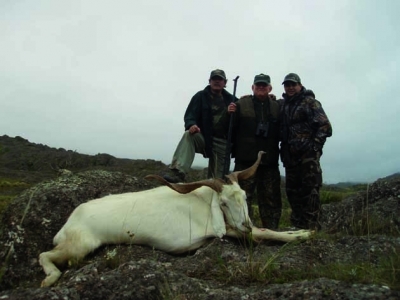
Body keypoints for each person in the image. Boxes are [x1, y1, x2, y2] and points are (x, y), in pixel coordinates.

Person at [279, 73, 332, 230]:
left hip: (307, 156)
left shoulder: (310, 102)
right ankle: (298, 226)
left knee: (310, 191)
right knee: (292, 191)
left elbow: (325, 126)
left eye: (293, 84)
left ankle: (312, 228)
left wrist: (314, 146)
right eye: (287, 85)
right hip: (290, 156)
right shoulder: (283, 105)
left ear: (300, 85)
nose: (290, 87)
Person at [164, 69, 237, 183]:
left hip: (223, 143)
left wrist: (267, 98)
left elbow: (247, 107)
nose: (217, 81)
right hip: (205, 138)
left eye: (220, 79)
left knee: (217, 182)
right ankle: (178, 172)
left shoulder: (233, 100)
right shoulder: (200, 96)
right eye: (214, 79)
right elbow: (190, 115)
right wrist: (191, 125)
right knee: (189, 135)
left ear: (225, 82)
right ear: (209, 81)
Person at [228, 74, 282, 229]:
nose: (261, 88)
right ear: (252, 87)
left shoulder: (278, 106)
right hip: (245, 161)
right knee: (242, 198)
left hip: (269, 160)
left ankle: (271, 232)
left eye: (264, 86)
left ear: (270, 88)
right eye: (258, 85)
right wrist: (228, 113)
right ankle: (244, 230)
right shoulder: (240, 104)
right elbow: (228, 128)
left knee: (270, 198)